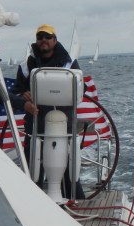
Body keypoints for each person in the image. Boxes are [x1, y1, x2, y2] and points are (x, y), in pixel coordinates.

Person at [12, 24, 84, 198]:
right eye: (40, 37)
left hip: (64, 124)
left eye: (47, 37)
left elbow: (83, 88)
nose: (43, 40)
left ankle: (75, 200)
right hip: (36, 123)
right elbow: (16, 91)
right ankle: (32, 200)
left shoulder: (69, 63)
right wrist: (23, 94)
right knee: (33, 167)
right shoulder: (26, 65)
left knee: (68, 166)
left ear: (55, 40)